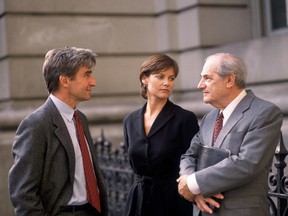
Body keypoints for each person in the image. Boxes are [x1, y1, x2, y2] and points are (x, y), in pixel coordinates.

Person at [177, 52, 283, 216]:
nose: (200, 85)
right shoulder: (209, 117)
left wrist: (192, 184)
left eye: (207, 78)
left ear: (229, 80)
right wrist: (191, 185)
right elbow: (190, 155)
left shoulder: (265, 113)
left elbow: (247, 163)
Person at [8, 47, 108, 216]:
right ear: (65, 81)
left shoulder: (80, 118)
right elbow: (22, 193)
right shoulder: (36, 124)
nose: (93, 82)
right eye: (86, 75)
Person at [123, 54, 199, 216]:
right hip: (138, 202)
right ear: (144, 78)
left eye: (171, 78)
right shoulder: (130, 120)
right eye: (160, 77)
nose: (167, 83)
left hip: (172, 203)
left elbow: (195, 162)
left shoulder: (184, 119)